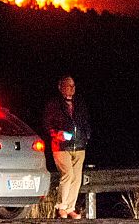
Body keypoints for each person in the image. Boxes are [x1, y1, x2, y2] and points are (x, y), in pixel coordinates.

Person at [43, 75, 91, 219]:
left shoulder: (79, 103)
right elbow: (47, 124)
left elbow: (86, 121)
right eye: (68, 86)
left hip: (79, 146)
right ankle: (61, 207)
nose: (71, 89)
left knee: (77, 178)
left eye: (73, 86)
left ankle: (70, 207)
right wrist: (56, 134)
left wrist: (86, 135)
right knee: (67, 174)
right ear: (60, 87)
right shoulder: (54, 104)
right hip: (61, 146)